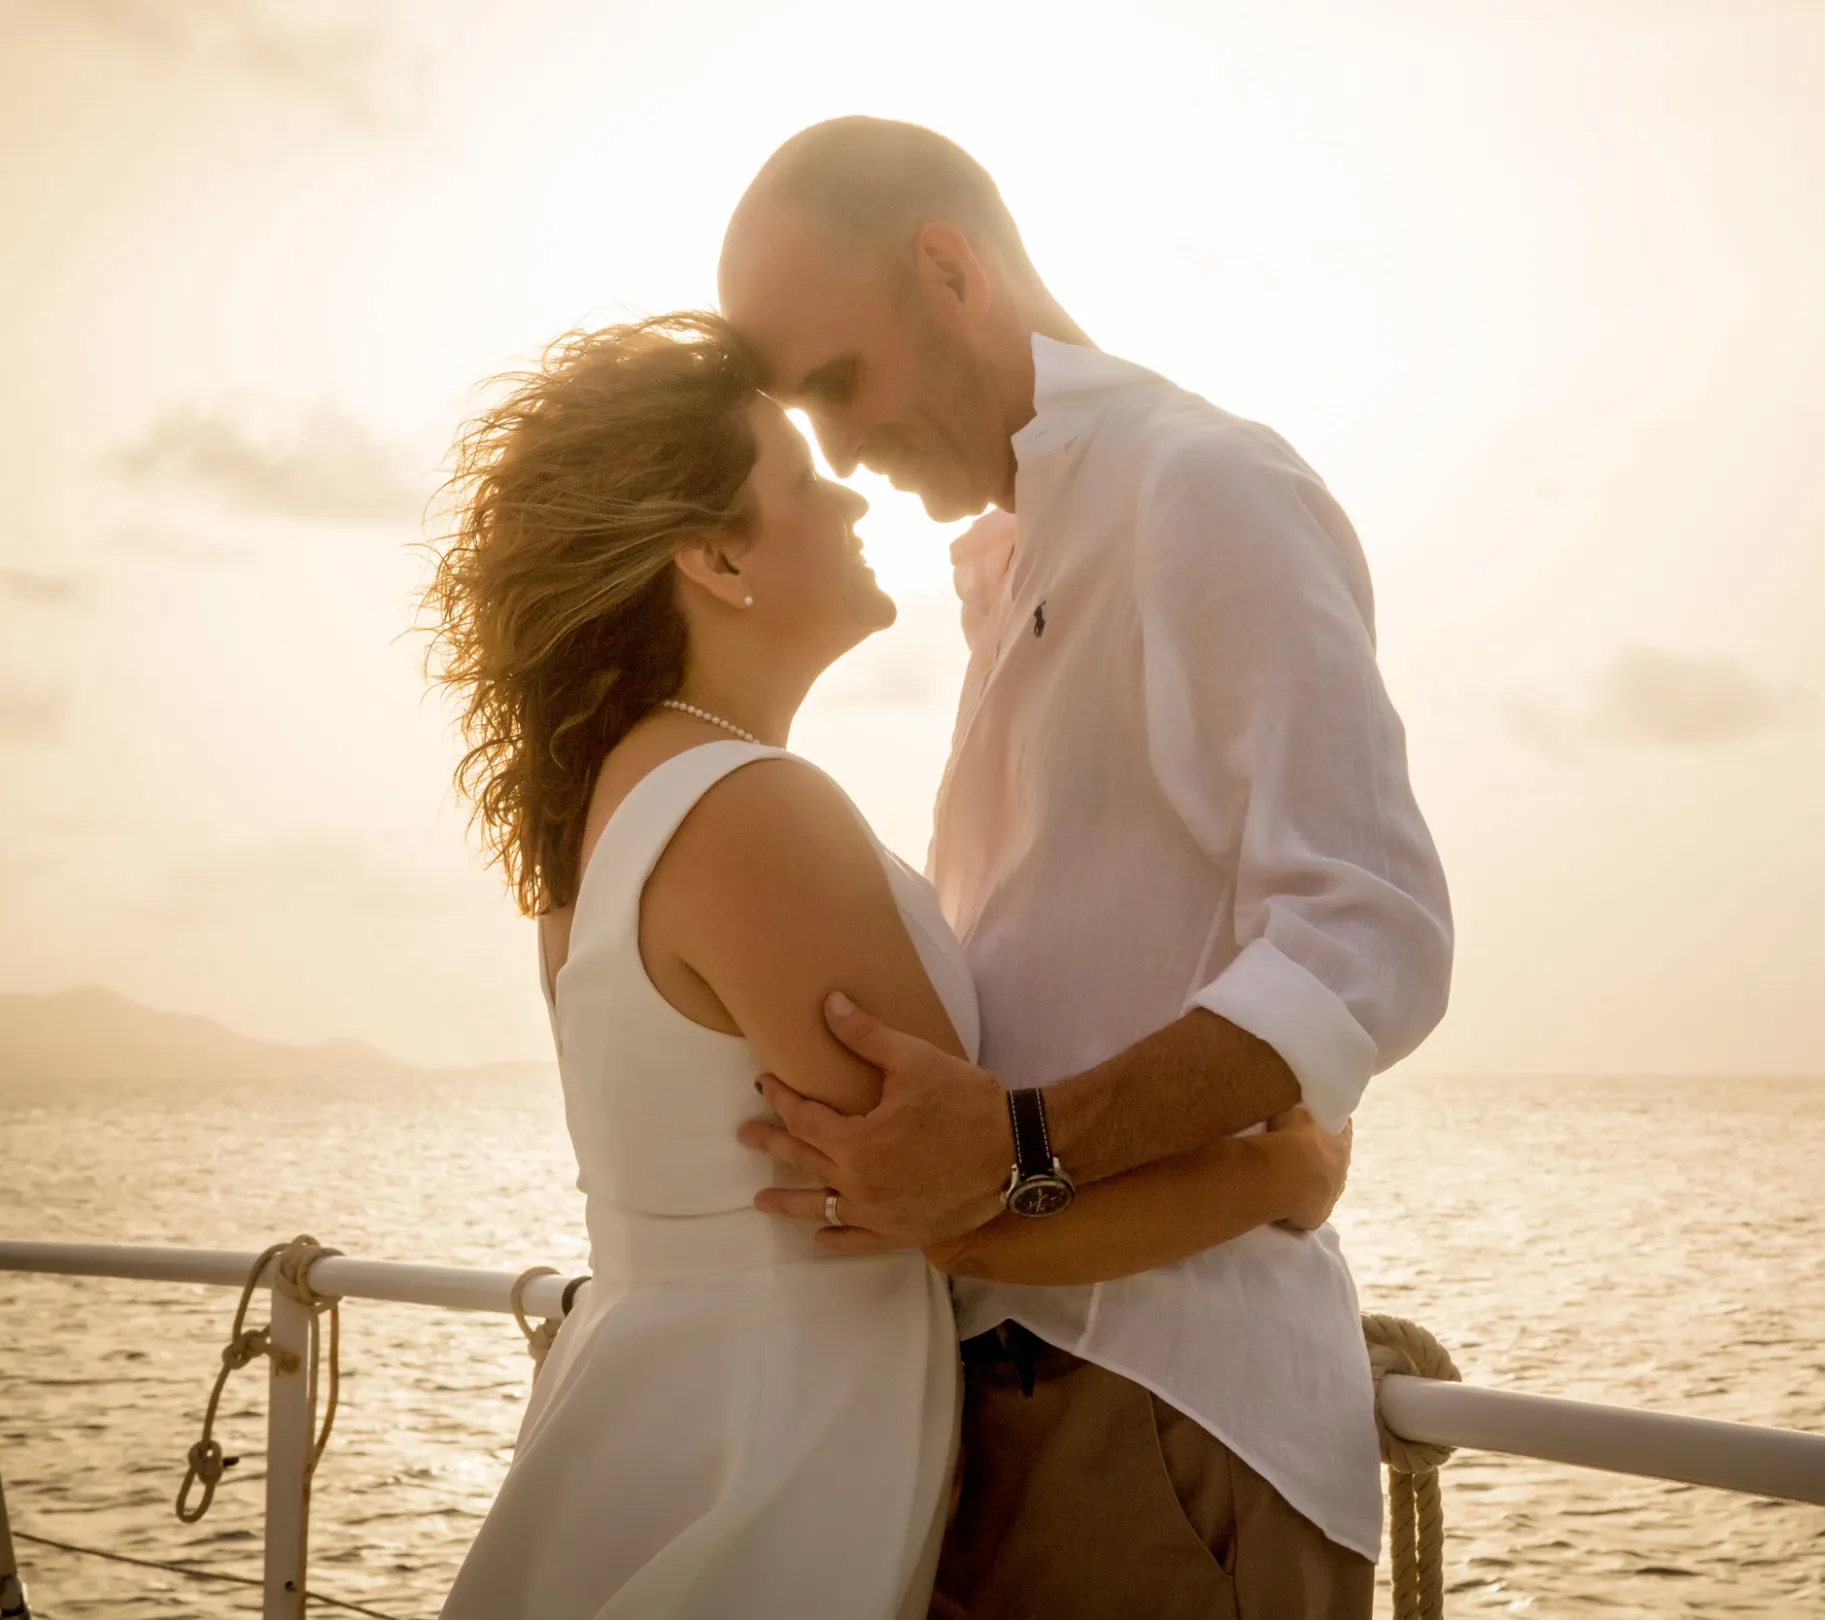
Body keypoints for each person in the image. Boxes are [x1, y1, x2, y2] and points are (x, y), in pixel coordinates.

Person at [422, 311, 1356, 1620]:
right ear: (716, 555)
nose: (850, 494)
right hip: (772, 1459)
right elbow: (966, 1211)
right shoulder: (749, 811)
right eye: (799, 477)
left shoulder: (619, 804)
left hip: (680, 1412)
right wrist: (1288, 1164)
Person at [719, 120, 1453, 1620]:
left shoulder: (1201, 488)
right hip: (999, 1401)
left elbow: (1368, 942)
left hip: (1167, 1414)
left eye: (839, 386)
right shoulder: (1018, 558)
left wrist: (1025, 1142)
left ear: (948, 270)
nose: (839, 450)